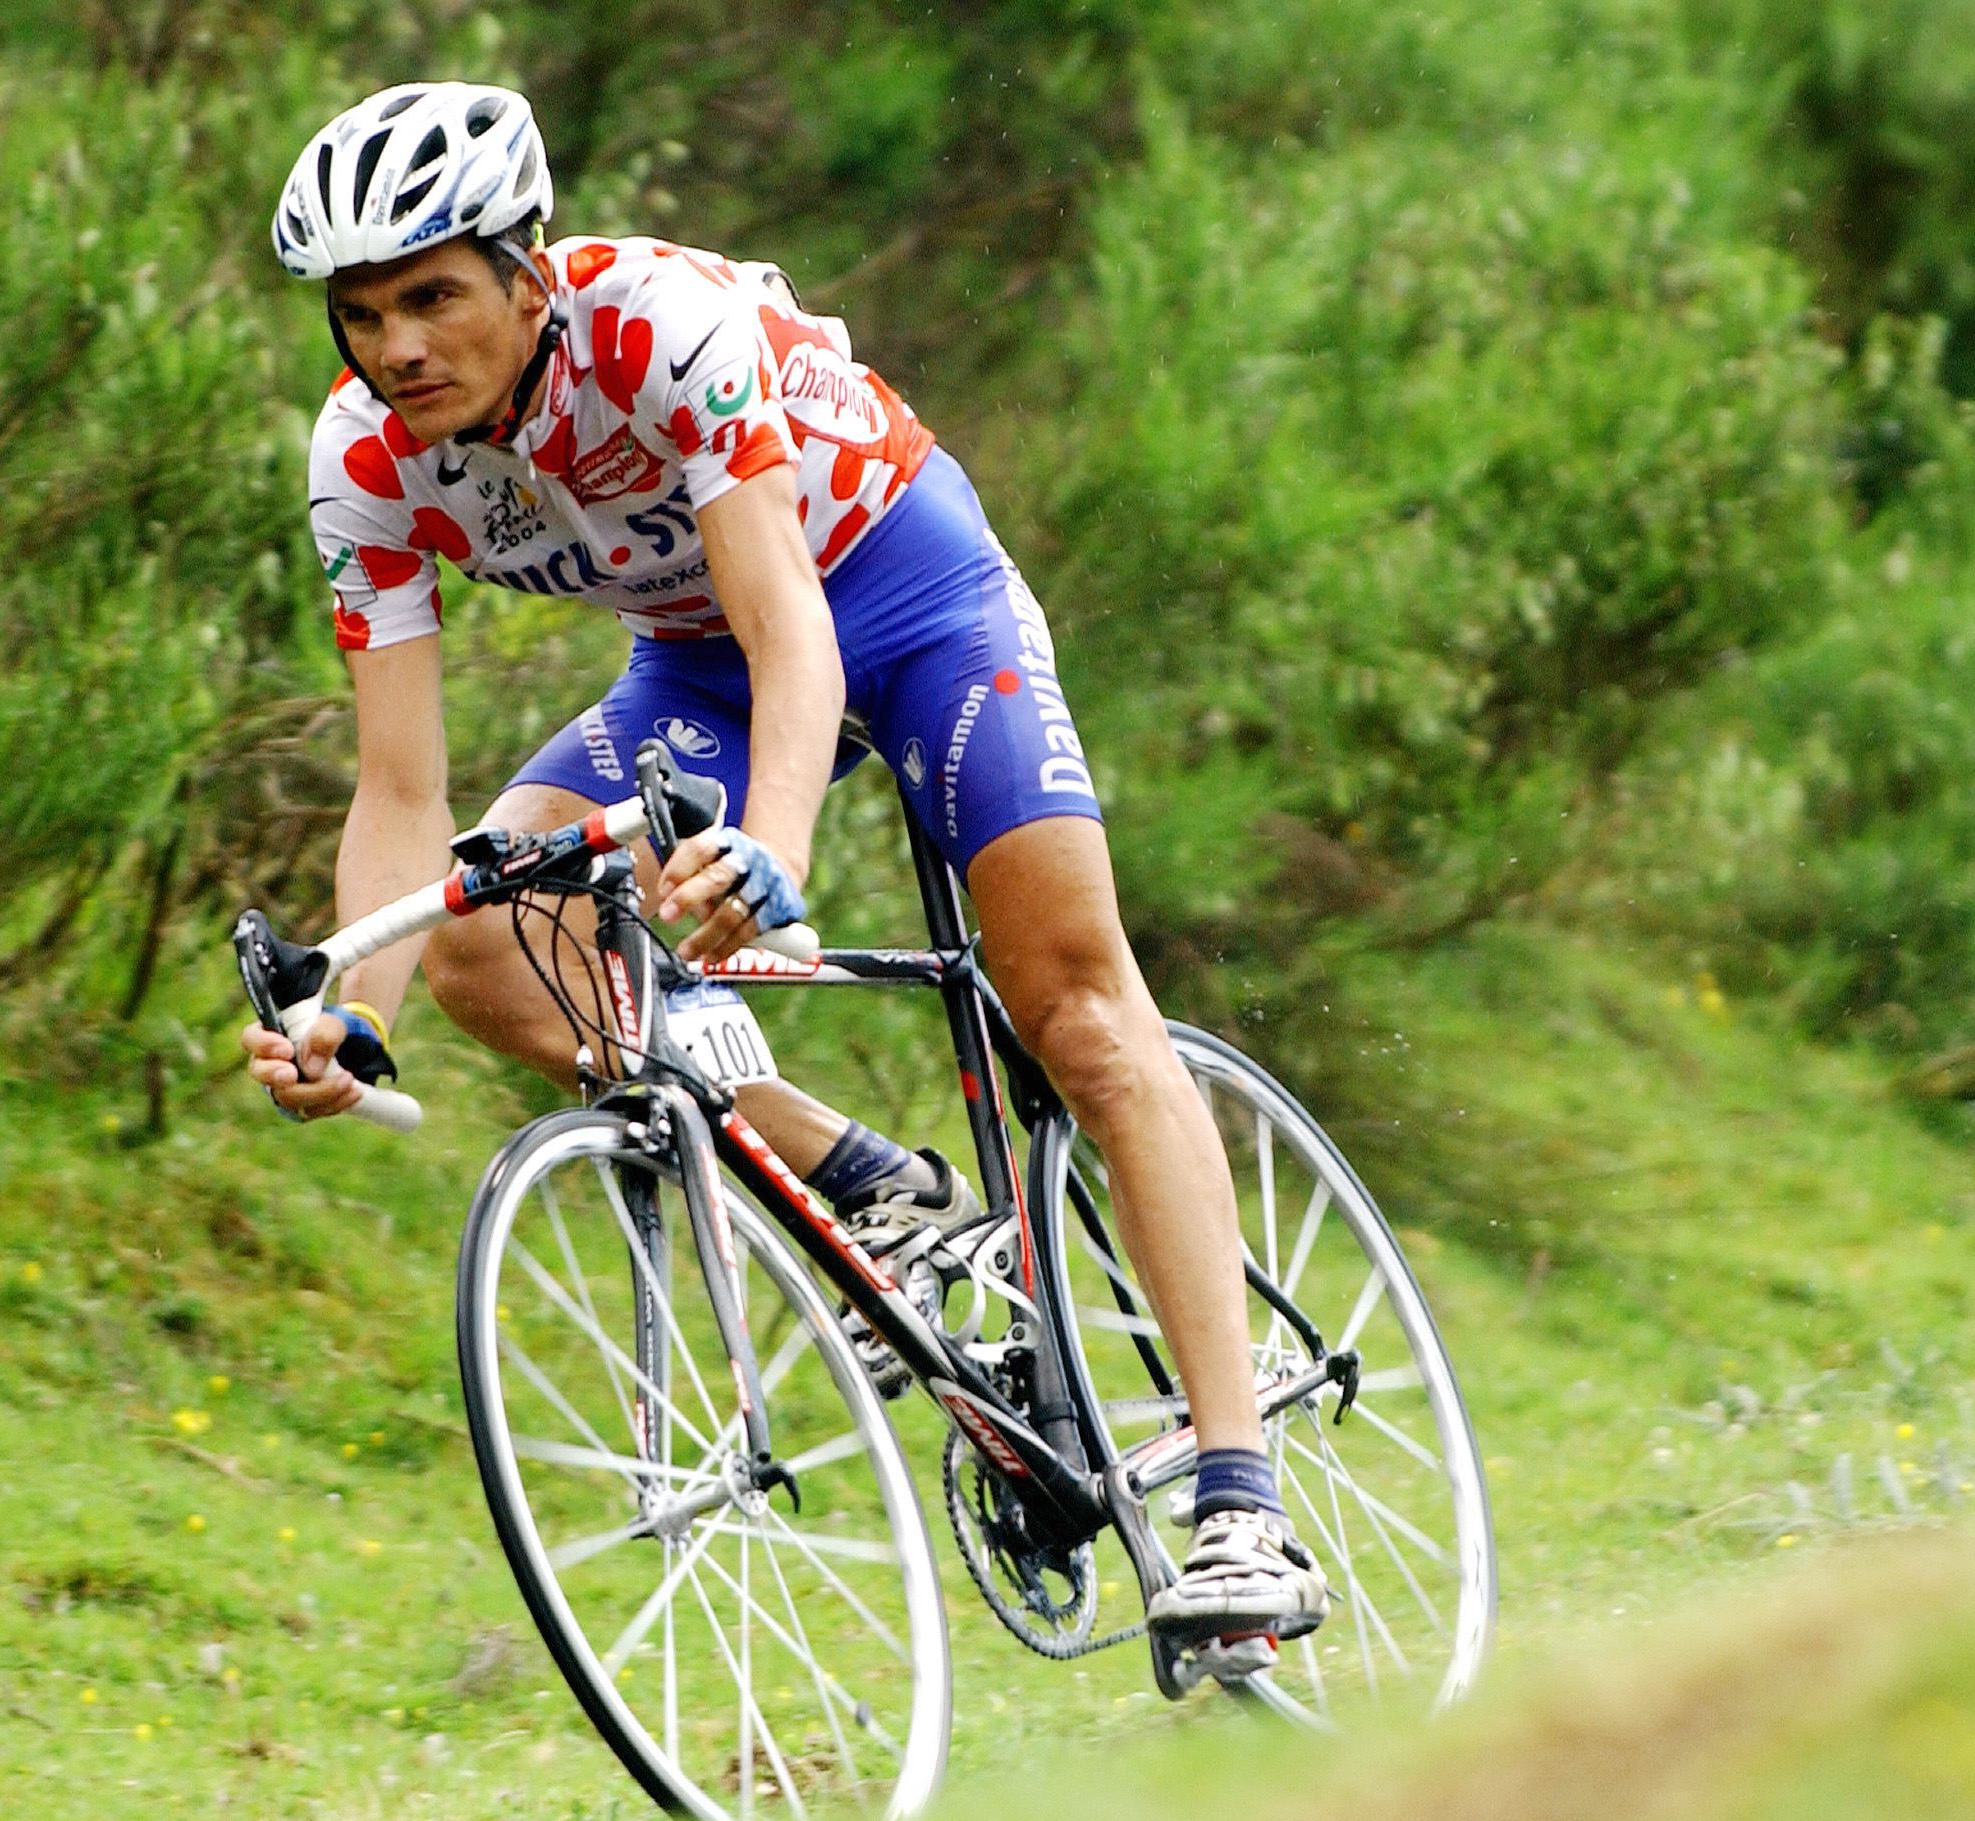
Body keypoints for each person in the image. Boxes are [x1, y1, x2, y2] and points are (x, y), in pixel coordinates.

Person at [238, 81, 1325, 1650]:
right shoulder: (367, 465)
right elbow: (403, 787)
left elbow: (791, 625)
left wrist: (776, 845)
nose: (398, 345)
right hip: (691, 665)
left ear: (525, 271)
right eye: (361, 314)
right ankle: (871, 1184)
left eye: (433, 296)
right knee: (491, 938)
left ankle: (1239, 1500)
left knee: (1077, 1012)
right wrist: (354, 1005)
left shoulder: (664, 325)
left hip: (899, 591)